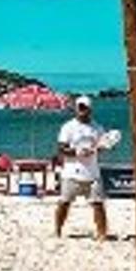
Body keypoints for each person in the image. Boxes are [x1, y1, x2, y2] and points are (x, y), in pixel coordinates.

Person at [55, 96, 110, 241]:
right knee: (64, 203)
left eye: (84, 107)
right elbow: (61, 149)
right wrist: (78, 152)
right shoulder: (68, 127)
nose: (81, 110)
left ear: (90, 109)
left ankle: (102, 233)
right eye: (79, 107)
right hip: (71, 173)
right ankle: (57, 230)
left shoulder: (97, 128)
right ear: (75, 108)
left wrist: (99, 149)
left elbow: (102, 145)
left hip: (92, 173)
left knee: (98, 204)